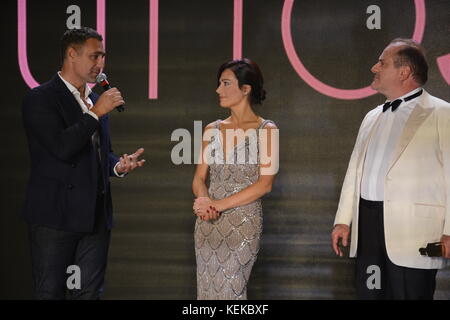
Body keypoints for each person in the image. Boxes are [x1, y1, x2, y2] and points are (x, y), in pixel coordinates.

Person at [21, 27, 145, 299]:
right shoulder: (40, 99)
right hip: (55, 216)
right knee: (50, 292)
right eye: (94, 56)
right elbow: (62, 148)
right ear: (71, 55)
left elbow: (100, 152)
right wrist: (95, 113)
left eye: (103, 56)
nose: (100, 64)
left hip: (95, 215)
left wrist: (117, 166)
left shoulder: (95, 100)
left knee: (90, 292)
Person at [331, 38, 450, 299]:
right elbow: (355, 170)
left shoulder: (443, 113)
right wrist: (343, 219)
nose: (374, 68)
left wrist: (449, 231)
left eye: (382, 63)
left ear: (404, 72)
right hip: (368, 225)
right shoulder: (372, 116)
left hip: (414, 231)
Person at [192, 58, 278, 299]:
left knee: (231, 292)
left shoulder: (267, 130)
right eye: (219, 83)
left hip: (242, 225)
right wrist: (204, 201)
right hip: (207, 224)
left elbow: (265, 184)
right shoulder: (212, 129)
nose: (218, 90)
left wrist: (217, 205)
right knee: (207, 294)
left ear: (245, 89)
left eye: (225, 83)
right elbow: (199, 178)